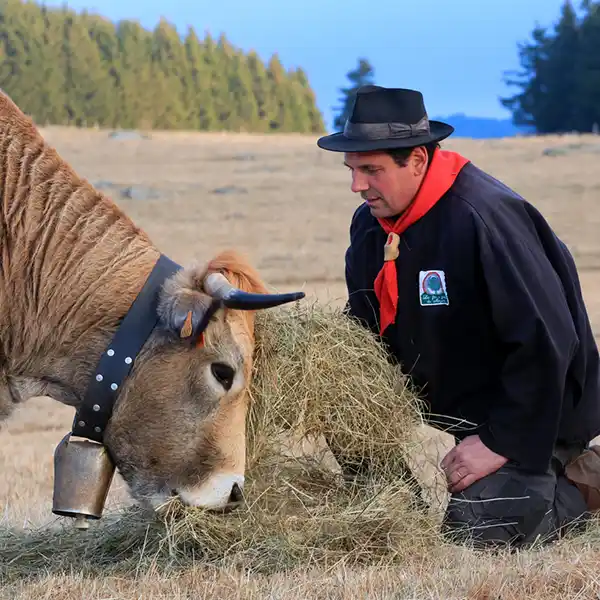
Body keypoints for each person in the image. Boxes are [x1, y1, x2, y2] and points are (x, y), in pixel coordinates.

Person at [316, 84, 600, 549]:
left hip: (538, 411)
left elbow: (548, 343)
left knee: (479, 534)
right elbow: (363, 329)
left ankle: (583, 477)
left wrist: (498, 441)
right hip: (466, 408)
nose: (357, 185)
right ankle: (391, 503)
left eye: (372, 170)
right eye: (351, 170)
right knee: (337, 385)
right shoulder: (371, 224)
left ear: (419, 161)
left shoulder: (483, 218)